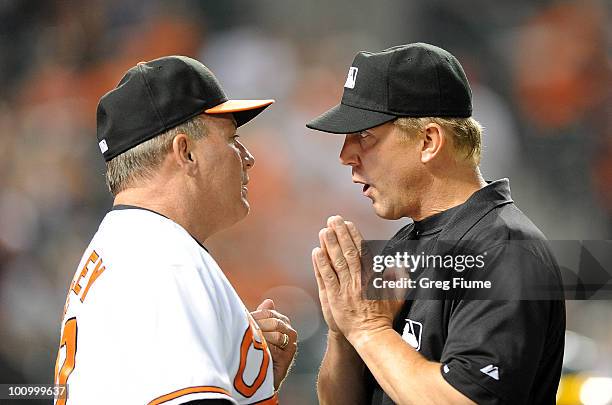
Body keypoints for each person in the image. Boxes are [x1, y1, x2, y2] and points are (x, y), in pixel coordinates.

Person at [306, 43, 565, 404]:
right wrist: (343, 331)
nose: (345, 155)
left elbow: (463, 400)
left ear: (428, 141)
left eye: (364, 135)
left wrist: (368, 329)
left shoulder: (504, 248)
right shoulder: (402, 246)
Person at [54, 56, 297, 405]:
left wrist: (244, 370)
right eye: (232, 138)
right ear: (186, 153)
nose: (247, 156)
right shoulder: (162, 260)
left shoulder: (125, 245)